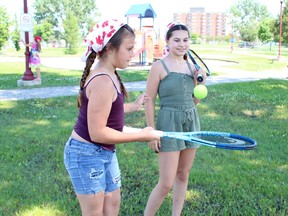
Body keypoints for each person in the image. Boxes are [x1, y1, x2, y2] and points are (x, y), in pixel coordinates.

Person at [63, 19, 160, 216]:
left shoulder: (110, 73)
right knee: (94, 212)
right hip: (86, 154)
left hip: (104, 152)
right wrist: (141, 135)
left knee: (112, 204)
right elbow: (98, 133)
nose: (133, 54)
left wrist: (131, 107)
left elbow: (105, 109)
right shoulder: (102, 81)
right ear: (109, 48)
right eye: (129, 48)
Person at [144, 21, 207, 216]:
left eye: (186, 40)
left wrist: (199, 81)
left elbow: (195, 101)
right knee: (165, 183)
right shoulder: (159, 66)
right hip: (168, 122)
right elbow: (149, 100)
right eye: (177, 40)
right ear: (168, 42)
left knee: (183, 174)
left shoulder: (191, 67)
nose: (182, 44)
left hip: (191, 121)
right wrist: (151, 132)